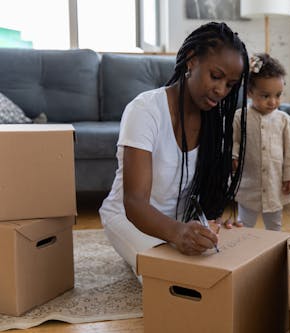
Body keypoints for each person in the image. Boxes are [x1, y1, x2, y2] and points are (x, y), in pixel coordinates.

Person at [99, 22, 249, 276]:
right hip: (128, 219)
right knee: (178, 281)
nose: (221, 90)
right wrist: (178, 233)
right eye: (216, 76)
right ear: (191, 61)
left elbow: (206, 192)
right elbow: (134, 203)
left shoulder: (214, 121)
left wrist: (207, 225)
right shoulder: (145, 110)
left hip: (178, 223)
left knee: (225, 272)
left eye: (230, 84)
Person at [228, 53, 290, 231]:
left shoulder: (285, 121)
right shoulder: (240, 117)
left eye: (278, 95)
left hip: (274, 184)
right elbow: (234, 141)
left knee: (274, 224)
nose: (273, 101)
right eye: (265, 96)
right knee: (244, 223)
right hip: (249, 183)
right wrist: (233, 156)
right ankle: (244, 249)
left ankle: (274, 249)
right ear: (249, 92)